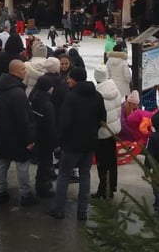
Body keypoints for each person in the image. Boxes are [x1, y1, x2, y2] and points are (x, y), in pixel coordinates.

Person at [48, 66, 106, 221]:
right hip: (90, 142)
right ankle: (82, 211)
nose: (67, 80)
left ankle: (59, 209)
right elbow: (103, 119)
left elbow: (64, 123)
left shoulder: (71, 97)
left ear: (75, 80)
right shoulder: (97, 96)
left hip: (72, 144)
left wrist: (61, 140)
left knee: (64, 175)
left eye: (70, 78)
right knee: (85, 175)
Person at [0, 59, 38, 206]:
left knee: (2, 163)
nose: (25, 72)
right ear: (16, 71)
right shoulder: (17, 92)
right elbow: (22, 119)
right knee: (22, 166)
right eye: (23, 69)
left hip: (1, 133)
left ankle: (1, 192)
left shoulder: (0, 88)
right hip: (17, 136)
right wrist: (29, 139)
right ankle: (25, 194)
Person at [93, 65, 122, 199]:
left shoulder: (97, 94)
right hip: (113, 130)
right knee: (112, 161)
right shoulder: (115, 89)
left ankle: (103, 188)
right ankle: (112, 187)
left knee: (102, 163)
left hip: (101, 132)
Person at [29, 75, 58, 198]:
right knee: (45, 164)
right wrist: (55, 142)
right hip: (46, 140)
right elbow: (51, 126)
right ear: (48, 88)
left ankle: (40, 185)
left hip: (37, 137)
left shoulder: (35, 99)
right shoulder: (48, 105)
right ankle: (43, 188)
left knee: (42, 163)